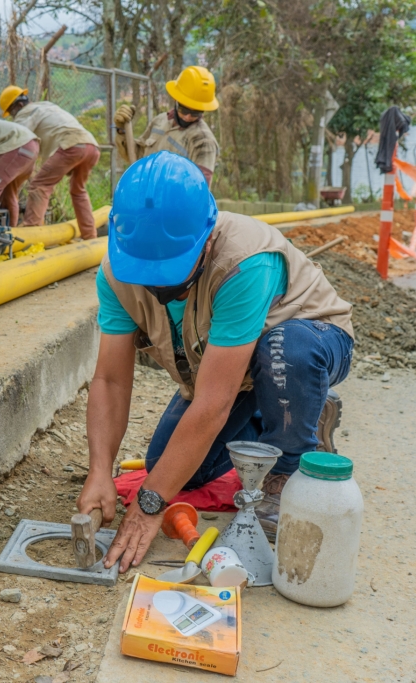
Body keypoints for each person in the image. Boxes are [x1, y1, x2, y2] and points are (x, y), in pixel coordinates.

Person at [77, 152, 354, 573]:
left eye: (167, 267)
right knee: (170, 472)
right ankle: (300, 412)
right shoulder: (115, 273)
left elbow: (213, 404)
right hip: (231, 369)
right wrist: (100, 471)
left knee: (284, 352)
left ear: (206, 239)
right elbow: (111, 381)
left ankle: (287, 463)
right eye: (144, 268)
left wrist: (150, 507)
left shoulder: (243, 262)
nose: (155, 281)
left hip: (309, 339)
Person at [0, 86, 101, 239]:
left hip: (70, 144)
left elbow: (17, 138)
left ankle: (31, 232)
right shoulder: (47, 106)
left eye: (12, 112)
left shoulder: (26, 113)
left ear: (19, 105)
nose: (14, 117)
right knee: (78, 190)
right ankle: (90, 236)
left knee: (39, 186)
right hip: (91, 146)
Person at [112, 66, 220, 185]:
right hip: (143, 196)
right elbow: (136, 157)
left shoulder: (203, 142)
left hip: (172, 203)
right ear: (176, 100)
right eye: (184, 109)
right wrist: (122, 130)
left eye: (196, 112)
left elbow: (199, 190)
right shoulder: (159, 121)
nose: (188, 117)